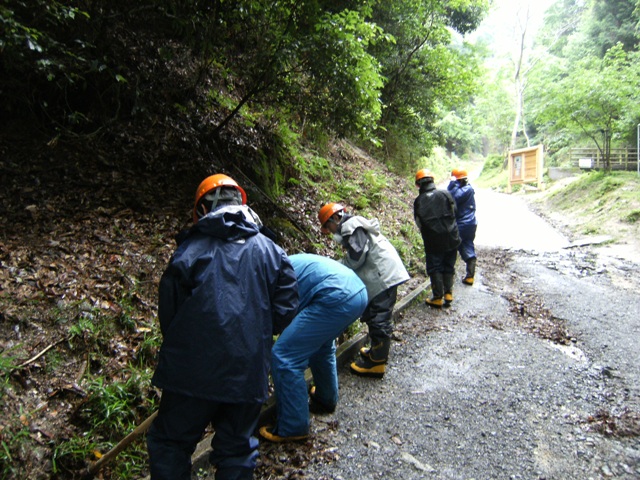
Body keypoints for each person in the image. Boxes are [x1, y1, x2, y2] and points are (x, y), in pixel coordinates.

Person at [147, 174, 299, 480]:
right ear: (240, 201)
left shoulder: (190, 250)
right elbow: (286, 309)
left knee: (171, 444)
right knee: (237, 451)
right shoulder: (272, 250)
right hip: (247, 370)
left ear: (202, 209)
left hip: (190, 372)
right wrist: (254, 333)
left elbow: (170, 313)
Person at [259, 253, 368, 442]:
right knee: (321, 345)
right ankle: (325, 398)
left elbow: (269, 323)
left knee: (284, 356)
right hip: (357, 291)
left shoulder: (261, 280)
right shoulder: (277, 264)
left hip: (336, 295)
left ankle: (293, 426)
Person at [318, 203, 410, 378]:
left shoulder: (349, 226)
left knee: (379, 317)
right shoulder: (352, 224)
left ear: (335, 218)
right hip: (382, 272)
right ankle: (376, 351)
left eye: (327, 226)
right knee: (375, 313)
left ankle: (377, 362)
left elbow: (356, 257)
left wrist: (335, 266)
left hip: (383, 274)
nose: (329, 231)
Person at [413, 169, 461, 308]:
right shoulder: (446, 194)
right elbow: (455, 212)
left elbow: (419, 222)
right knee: (449, 265)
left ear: (418, 184)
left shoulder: (419, 201)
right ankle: (448, 293)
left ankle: (437, 297)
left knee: (435, 267)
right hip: (452, 236)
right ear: (432, 180)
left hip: (433, 240)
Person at [448, 169, 478, 285]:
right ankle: (470, 276)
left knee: (451, 247)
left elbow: (452, 197)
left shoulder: (465, 190)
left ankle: (449, 275)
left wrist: (452, 184)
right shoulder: (468, 188)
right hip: (470, 223)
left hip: (462, 224)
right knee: (467, 245)